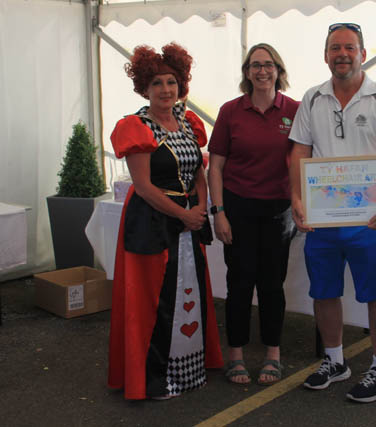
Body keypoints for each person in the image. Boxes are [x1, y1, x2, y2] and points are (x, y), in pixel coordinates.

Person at [289, 23, 376, 403]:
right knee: (324, 291)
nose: (342, 53)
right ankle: (336, 361)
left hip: (369, 218)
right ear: (326, 55)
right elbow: (299, 152)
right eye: (335, 47)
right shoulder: (311, 98)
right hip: (323, 218)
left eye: (350, 47)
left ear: (363, 53)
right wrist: (296, 196)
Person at [108, 43, 224, 400]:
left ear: (181, 84)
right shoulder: (135, 126)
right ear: (144, 88)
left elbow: (199, 174)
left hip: (187, 221)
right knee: (153, 300)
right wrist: (185, 215)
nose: (165, 90)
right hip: (153, 222)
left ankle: (186, 371)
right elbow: (142, 186)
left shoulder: (189, 123)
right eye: (156, 83)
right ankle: (154, 378)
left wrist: (200, 210)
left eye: (171, 82)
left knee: (186, 293)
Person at [207, 43, 299, 385]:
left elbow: (305, 162)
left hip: (279, 211)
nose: (262, 71)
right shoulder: (231, 111)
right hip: (238, 209)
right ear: (247, 72)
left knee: (272, 286)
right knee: (240, 283)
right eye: (255, 65)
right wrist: (218, 212)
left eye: (269, 64)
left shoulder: (296, 109)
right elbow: (215, 167)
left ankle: (273, 354)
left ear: (279, 70)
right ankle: (236, 355)